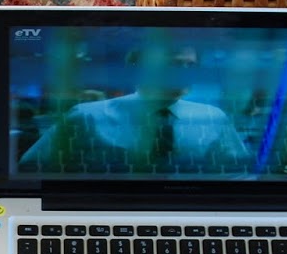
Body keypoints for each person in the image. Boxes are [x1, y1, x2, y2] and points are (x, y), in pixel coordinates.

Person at [18, 43, 248, 175]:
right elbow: (31, 168)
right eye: (174, 64)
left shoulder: (212, 117)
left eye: (191, 66)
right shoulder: (87, 117)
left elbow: (238, 176)